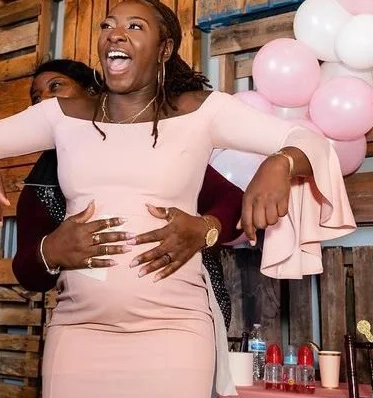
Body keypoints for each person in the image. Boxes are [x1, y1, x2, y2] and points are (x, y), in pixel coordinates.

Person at [0, 0, 355, 398]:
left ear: (164, 48)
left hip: (172, 333)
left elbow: (309, 139)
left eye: (134, 26)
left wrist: (280, 163)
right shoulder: (64, 114)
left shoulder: (200, 112)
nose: (116, 35)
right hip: (79, 333)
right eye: (108, 26)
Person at [16, 59, 244, 327]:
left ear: (91, 94)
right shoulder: (40, 186)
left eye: (55, 87)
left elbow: (233, 201)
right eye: (36, 97)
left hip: (183, 315)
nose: (43, 101)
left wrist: (205, 229)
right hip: (88, 324)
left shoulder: (151, 144)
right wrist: (50, 251)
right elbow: (26, 271)